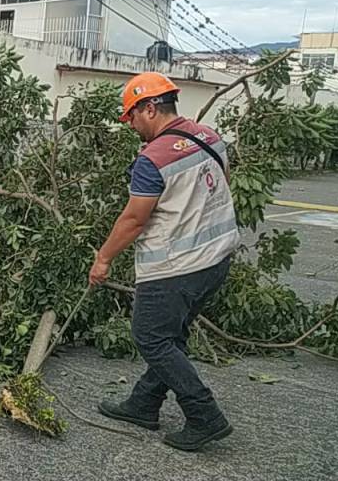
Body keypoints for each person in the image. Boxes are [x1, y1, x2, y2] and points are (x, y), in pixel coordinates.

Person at [88, 72, 239, 452]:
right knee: (171, 337)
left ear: (149, 108)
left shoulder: (151, 159)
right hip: (217, 257)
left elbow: (133, 220)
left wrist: (103, 259)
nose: (132, 126)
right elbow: (220, 184)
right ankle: (144, 403)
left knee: (151, 338)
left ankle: (204, 415)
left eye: (132, 118)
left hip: (175, 266)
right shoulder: (209, 137)